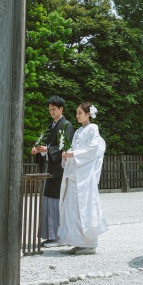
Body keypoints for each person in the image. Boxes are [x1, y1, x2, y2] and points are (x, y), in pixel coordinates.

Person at [57, 102, 108, 254]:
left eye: (80, 113)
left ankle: (89, 243)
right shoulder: (79, 131)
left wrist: (74, 154)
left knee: (85, 207)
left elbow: (93, 149)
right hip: (75, 173)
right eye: (77, 113)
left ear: (88, 114)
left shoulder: (93, 129)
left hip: (85, 176)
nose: (77, 115)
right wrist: (67, 154)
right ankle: (78, 241)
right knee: (72, 207)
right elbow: (76, 148)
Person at [31, 95, 75, 248]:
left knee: (57, 201)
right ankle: (50, 235)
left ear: (61, 109)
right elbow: (47, 146)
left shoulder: (66, 125)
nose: (51, 112)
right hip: (50, 167)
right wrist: (39, 150)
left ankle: (59, 236)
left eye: (54, 109)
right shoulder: (51, 126)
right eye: (49, 109)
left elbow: (66, 148)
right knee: (48, 200)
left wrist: (47, 150)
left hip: (59, 169)